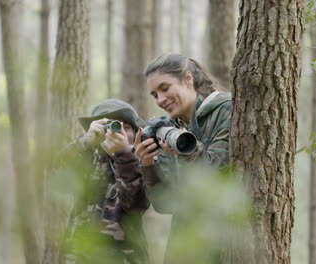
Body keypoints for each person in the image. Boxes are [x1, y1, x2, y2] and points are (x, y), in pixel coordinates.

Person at [135, 54, 253, 263]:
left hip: (221, 245)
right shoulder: (170, 131)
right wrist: (147, 165)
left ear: (188, 79)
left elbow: (216, 174)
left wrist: (185, 150)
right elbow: (165, 204)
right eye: (154, 95)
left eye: (165, 88)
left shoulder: (226, 109)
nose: (160, 100)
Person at [61, 99, 150, 264]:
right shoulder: (87, 158)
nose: (117, 132)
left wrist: (123, 155)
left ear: (136, 133)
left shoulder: (143, 161)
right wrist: (86, 142)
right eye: (110, 126)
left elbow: (135, 204)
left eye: (126, 127)